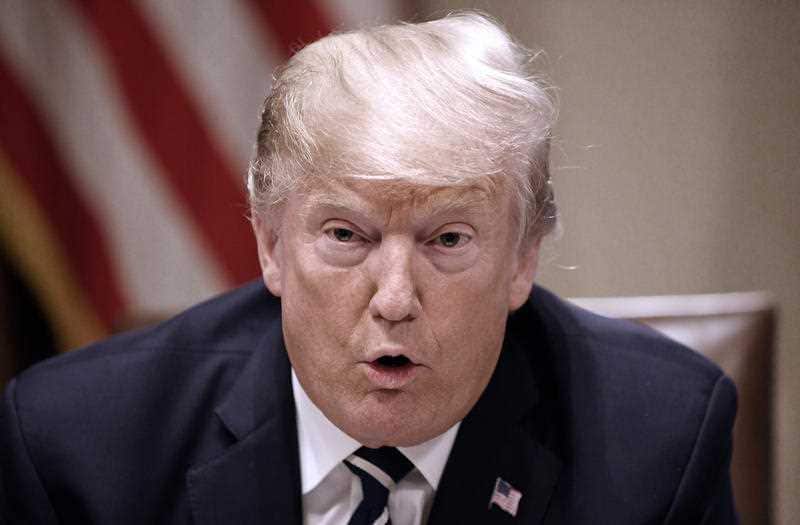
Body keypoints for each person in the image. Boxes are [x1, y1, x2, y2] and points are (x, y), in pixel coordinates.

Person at [0, 12, 737, 524]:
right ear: (270, 244)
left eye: (447, 239)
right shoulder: (78, 446)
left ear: (523, 257)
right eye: (347, 234)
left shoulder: (656, 441)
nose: (393, 299)